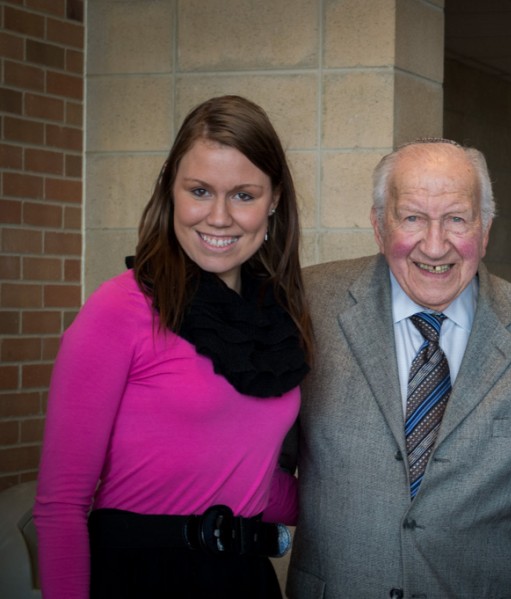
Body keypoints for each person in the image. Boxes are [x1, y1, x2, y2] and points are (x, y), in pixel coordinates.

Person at [33, 95, 313, 599]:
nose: (219, 217)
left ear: (273, 200)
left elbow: (245, 475)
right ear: (170, 188)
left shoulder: (279, 319)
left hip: (244, 579)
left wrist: (366, 491)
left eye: (244, 195)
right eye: (200, 191)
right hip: (141, 577)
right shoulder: (118, 310)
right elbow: (60, 506)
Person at [281, 138, 511, 598]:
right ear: (380, 227)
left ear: (485, 229)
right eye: (413, 218)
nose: (436, 245)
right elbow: (258, 459)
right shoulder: (308, 307)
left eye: (457, 219)